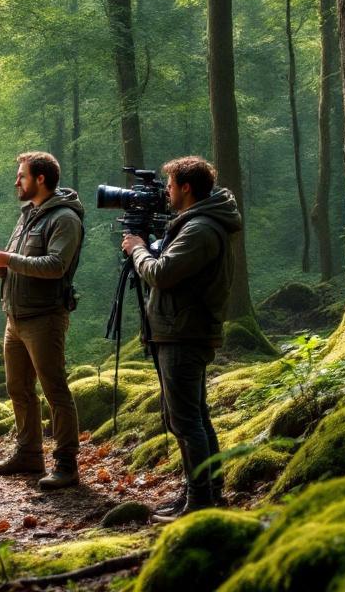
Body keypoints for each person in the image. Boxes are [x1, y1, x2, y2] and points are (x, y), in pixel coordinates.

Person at [121, 155, 241, 520]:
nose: (166, 193)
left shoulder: (201, 228)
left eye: (170, 186)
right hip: (180, 329)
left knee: (185, 420)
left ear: (186, 188)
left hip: (184, 333)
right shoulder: (195, 224)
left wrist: (137, 248)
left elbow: (162, 273)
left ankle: (200, 501)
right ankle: (203, 491)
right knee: (194, 416)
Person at [0, 152, 85, 490]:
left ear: (40, 179)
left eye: (21, 175)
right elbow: (19, 265)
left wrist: (8, 258)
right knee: (18, 388)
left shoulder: (64, 218)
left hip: (45, 318)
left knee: (55, 390)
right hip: (15, 316)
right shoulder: (27, 217)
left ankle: (66, 465)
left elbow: (55, 266)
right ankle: (29, 454)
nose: (16, 182)